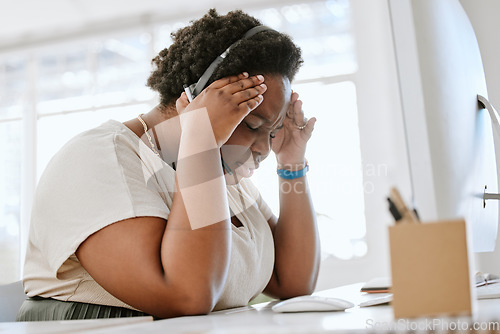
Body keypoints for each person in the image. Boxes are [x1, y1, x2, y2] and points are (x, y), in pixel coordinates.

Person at [18, 9, 320, 321]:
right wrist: (200, 137)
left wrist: (292, 162)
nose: (264, 149)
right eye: (255, 126)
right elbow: (187, 294)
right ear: (198, 95)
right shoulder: (100, 158)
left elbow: (293, 280)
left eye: (272, 133)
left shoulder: (223, 175)